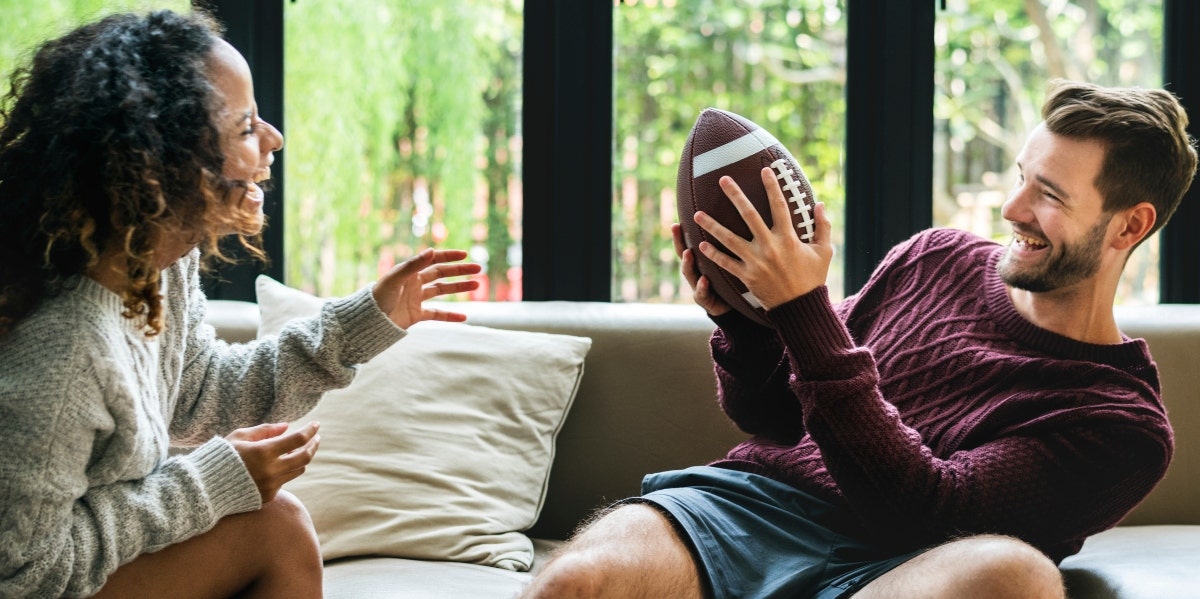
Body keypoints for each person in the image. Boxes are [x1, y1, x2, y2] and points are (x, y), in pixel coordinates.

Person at [520, 80, 1197, 599]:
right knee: (573, 582)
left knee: (1015, 572)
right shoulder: (934, 257)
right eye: (1021, 175)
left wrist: (803, 307)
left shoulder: (1121, 425)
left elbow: (927, 514)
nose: (1012, 209)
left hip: (902, 567)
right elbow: (778, 418)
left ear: (1128, 226)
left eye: (1048, 193)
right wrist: (744, 320)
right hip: (752, 509)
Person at [0, 9, 481, 598]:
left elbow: (200, 394)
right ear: (165, 162)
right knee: (276, 529)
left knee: (275, 521)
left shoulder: (157, 270)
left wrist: (365, 323)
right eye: (247, 126)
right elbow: (22, 573)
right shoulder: (67, 350)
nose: (274, 139)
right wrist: (209, 483)